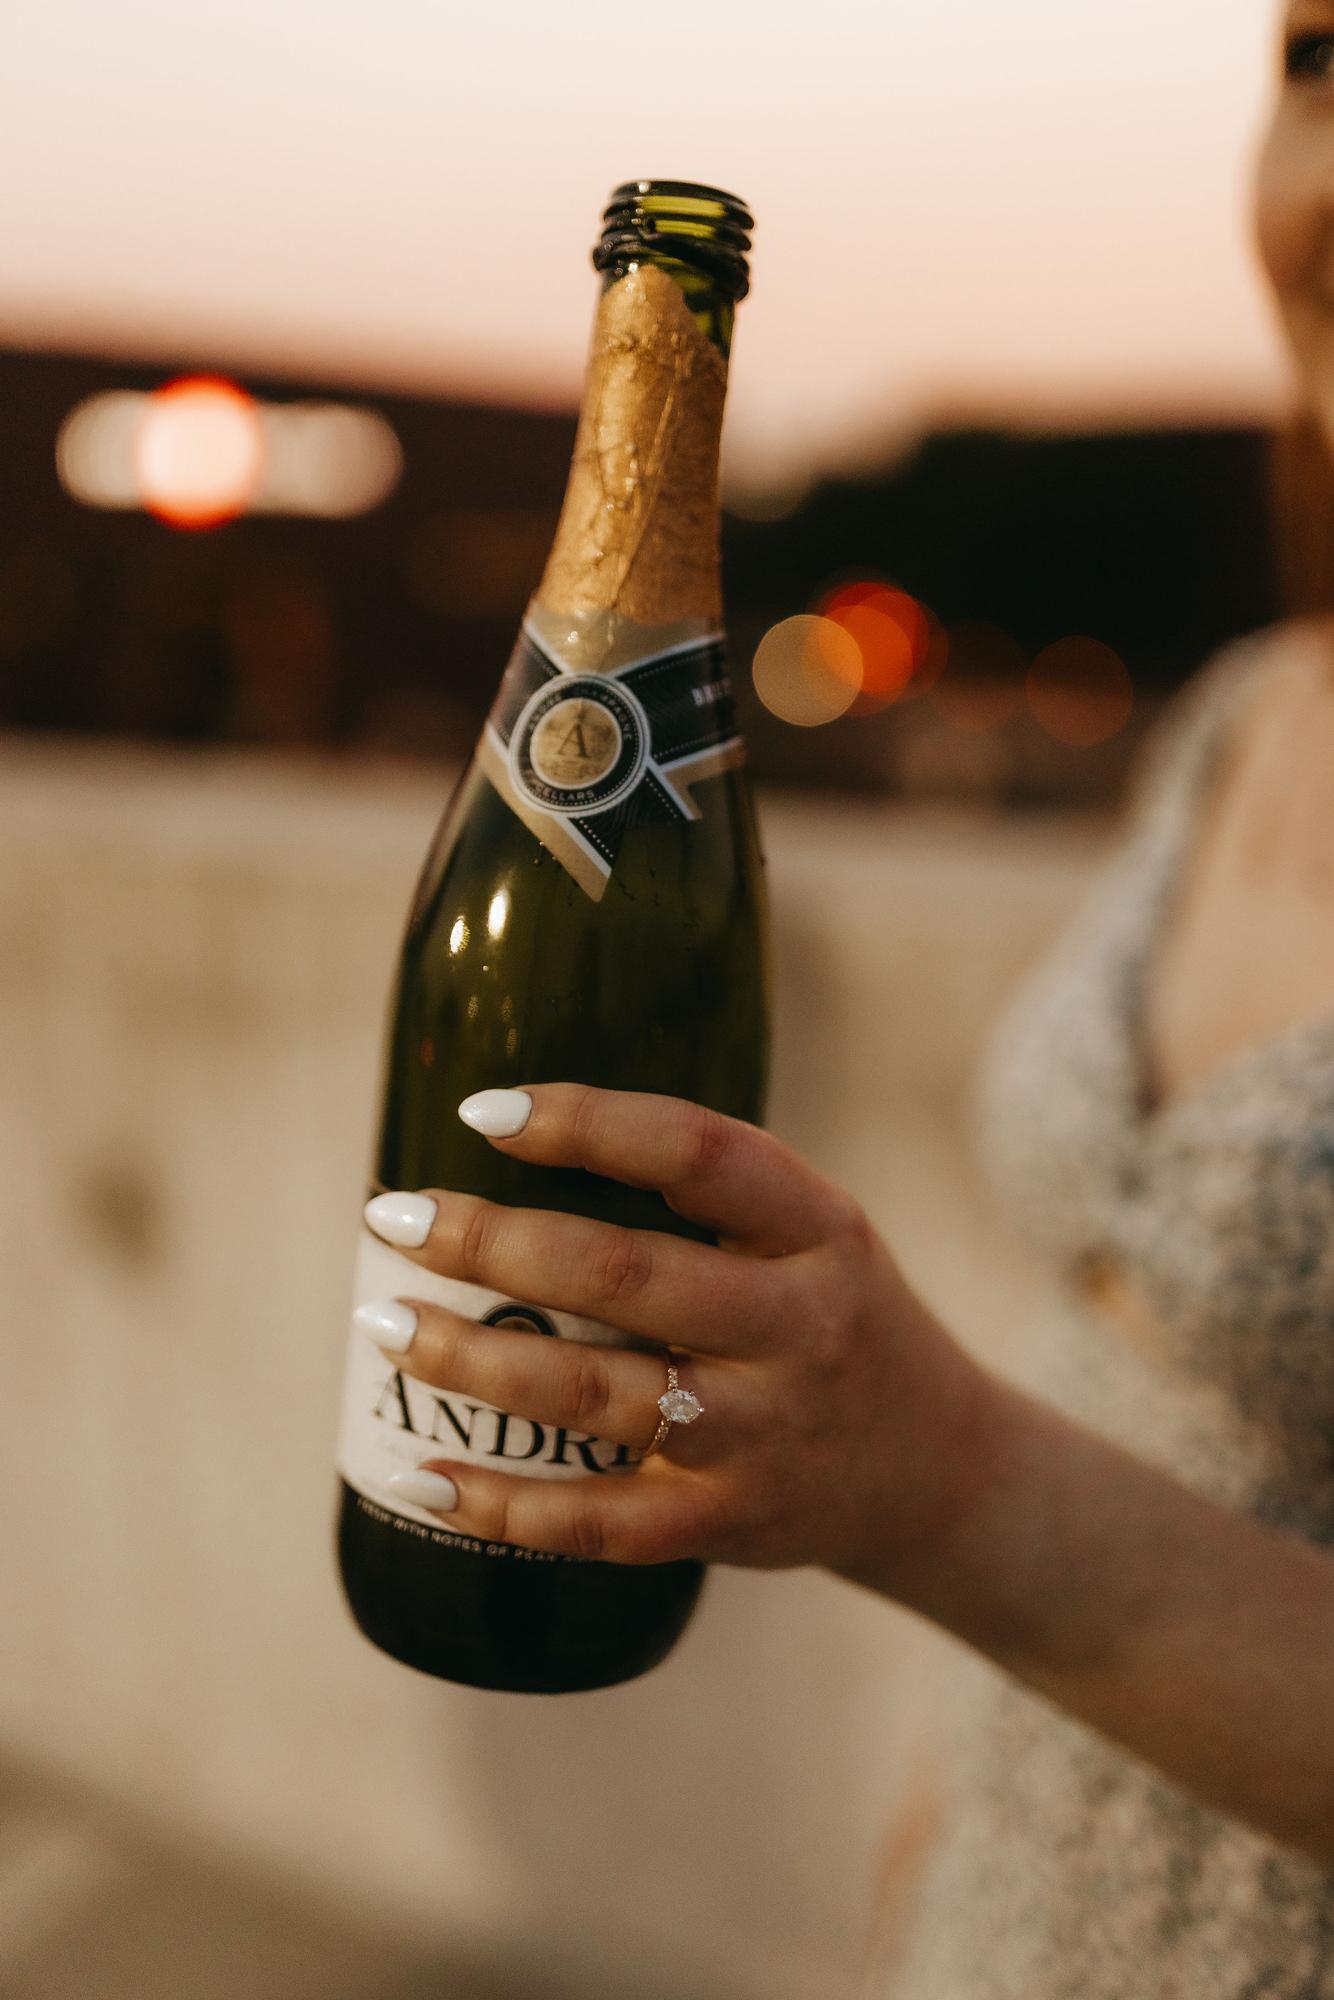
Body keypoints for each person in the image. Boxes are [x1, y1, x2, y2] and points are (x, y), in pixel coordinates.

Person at [357, 6, 1334, 1989]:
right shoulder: (1249, 712)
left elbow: (1019, 1476)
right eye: (1316, 61)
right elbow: (1123, 1366)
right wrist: (940, 1822)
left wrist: (944, 1486)